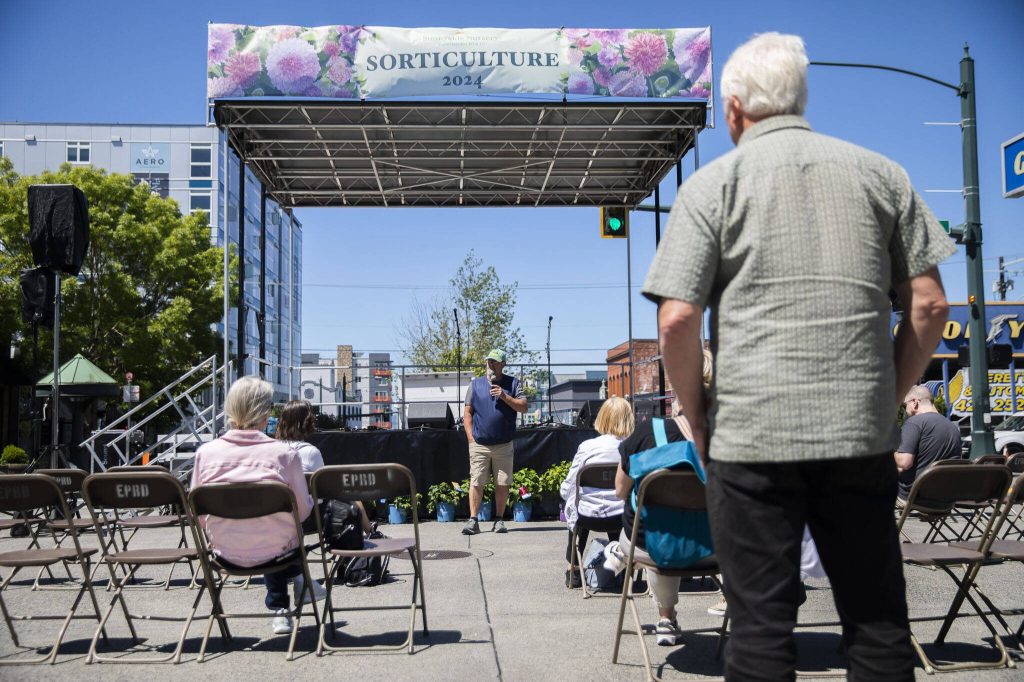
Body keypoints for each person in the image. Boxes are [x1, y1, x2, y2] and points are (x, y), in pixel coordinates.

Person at [642, 32, 954, 679]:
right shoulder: (881, 174)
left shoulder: (711, 187)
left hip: (750, 440)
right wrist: (888, 397)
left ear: (733, 110)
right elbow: (929, 307)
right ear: (801, 99)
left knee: (760, 628)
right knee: (876, 623)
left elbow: (676, 318)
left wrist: (697, 419)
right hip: (857, 438)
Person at [191, 376, 325, 636]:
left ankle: (289, 597)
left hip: (224, 553)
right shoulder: (285, 455)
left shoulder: (204, 454)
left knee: (273, 531)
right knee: (282, 532)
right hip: (278, 553)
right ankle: (300, 583)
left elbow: (198, 513)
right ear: (266, 414)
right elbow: (304, 511)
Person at [612, 404, 695, 646]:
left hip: (654, 544)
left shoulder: (647, 432)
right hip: (717, 548)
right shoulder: (731, 434)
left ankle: (665, 619)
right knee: (674, 528)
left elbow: (619, 490)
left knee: (659, 532)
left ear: (679, 400)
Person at [558, 396, 634, 587]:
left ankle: (573, 569)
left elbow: (569, 486)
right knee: (620, 503)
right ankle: (621, 568)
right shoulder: (633, 448)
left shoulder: (587, 447)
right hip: (623, 518)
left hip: (588, 517)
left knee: (577, 505)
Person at [276, 399, 372, 534]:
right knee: (351, 497)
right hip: (308, 520)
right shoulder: (311, 452)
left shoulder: (272, 450)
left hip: (277, 517)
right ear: (306, 422)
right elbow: (322, 493)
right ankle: (371, 534)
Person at [462, 349, 528, 535]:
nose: (491, 364)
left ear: (503, 364)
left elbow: (524, 407)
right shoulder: (475, 385)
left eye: (495, 362)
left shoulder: (513, 383)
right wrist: (470, 438)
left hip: (504, 445)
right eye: (489, 361)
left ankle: (499, 520)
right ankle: (473, 520)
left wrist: (504, 396)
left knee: (503, 483)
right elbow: (467, 412)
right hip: (479, 444)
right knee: (476, 481)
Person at [895, 385, 962, 502]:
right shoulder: (952, 427)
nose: (905, 410)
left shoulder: (914, 423)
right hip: (945, 498)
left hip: (914, 495)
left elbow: (905, 462)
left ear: (915, 402)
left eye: (905, 405)